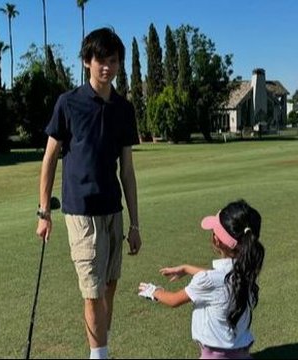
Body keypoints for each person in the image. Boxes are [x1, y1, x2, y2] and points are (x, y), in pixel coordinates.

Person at [36, 27, 142, 359]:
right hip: (81, 213)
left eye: (113, 60)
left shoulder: (124, 109)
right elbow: (50, 157)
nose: (106, 67)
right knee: (93, 291)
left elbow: (126, 169)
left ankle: (100, 346)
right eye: (100, 60)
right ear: (87, 62)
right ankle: (99, 355)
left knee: (109, 285)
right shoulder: (68, 104)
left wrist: (135, 224)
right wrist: (44, 212)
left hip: (113, 210)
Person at [138, 199, 265, 359]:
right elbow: (221, 278)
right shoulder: (249, 272)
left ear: (216, 240)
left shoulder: (209, 280)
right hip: (243, 354)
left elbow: (173, 300)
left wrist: (153, 291)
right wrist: (187, 268)